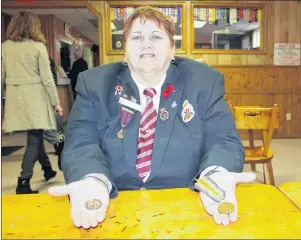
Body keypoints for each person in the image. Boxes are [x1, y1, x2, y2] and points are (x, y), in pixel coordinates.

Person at [49, 6, 255, 229]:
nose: (146, 43)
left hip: (187, 204)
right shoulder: (95, 84)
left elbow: (223, 139)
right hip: (114, 205)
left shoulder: (204, 82)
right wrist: (91, 179)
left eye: (156, 36)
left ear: (172, 49)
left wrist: (216, 174)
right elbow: (80, 142)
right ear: (125, 51)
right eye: (136, 37)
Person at [1, 12, 63, 194]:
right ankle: (23, 180)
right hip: (35, 97)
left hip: (15, 97)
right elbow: (47, 79)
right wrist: (56, 103)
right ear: (33, 26)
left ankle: (47, 169)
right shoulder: (38, 48)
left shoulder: (4, 47)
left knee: (34, 136)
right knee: (35, 138)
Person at [43, 57, 65, 170]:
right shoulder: (49, 72)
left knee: (36, 138)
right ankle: (47, 168)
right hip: (46, 106)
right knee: (56, 132)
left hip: (42, 106)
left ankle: (59, 144)